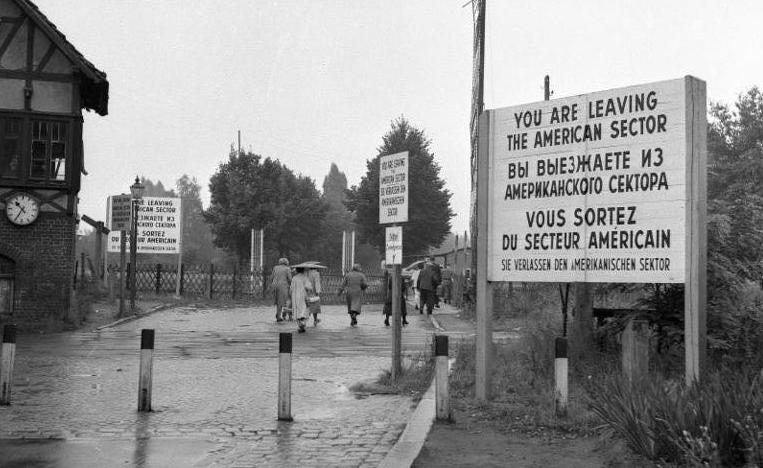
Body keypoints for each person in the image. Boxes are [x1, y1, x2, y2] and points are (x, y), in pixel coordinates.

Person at [383, 263, 408, 327]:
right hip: (399, 293)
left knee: (388, 306)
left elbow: (389, 286)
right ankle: (404, 319)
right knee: (402, 305)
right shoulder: (401, 277)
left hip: (391, 293)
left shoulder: (391, 277)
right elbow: (403, 287)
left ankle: (387, 319)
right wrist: (402, 291)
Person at [290, 266, 313, 333]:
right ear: (303, 270)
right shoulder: (305, 277)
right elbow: (308, 287)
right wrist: (310, 289)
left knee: (297, 311)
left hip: (295, 297)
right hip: (303, 296)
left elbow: (291, 288)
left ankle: (300, 325)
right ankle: (303, 324)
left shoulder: (294, 278)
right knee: (303, 310)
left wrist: (290, 295)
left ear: (297, 270)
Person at [270, 258, 292, 322]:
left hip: (274, 285)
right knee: (282, 301)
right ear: (286, 262)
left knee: (278, 301)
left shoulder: (275, 267)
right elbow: (290, 279)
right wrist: (292, 284)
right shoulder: (287, 269)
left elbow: (272, 277)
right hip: (282, 286)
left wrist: (271, 284)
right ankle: (279, 316)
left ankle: (278, 313)